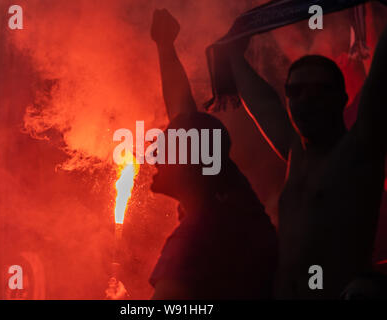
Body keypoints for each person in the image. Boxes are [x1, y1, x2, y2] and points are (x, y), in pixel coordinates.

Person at [220, 24, 387, 299]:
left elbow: (381, 79)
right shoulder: (296, 154)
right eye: (296, 91)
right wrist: (232, 51)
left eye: (319, 90)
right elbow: (262, 102)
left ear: (341, 99)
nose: (306, 99)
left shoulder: (358, 151)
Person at [148, 9, 278, 300]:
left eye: (164, 149)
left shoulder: (196, 236)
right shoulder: (228, 196)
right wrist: (165, 46)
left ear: (191, 165)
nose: (154, 155)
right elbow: (184, 114)